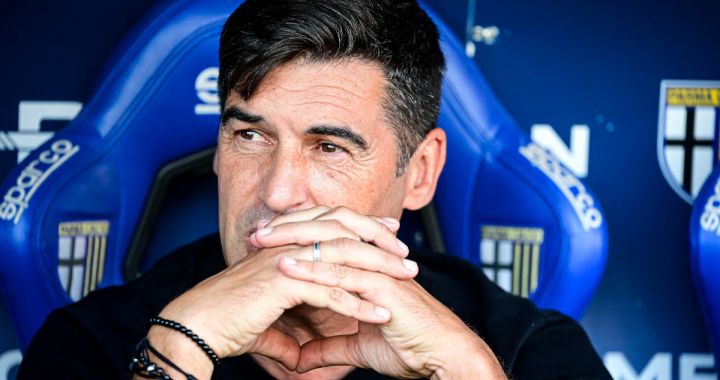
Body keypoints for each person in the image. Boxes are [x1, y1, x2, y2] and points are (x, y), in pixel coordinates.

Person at [18, 0, 611, 379]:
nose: (277, 194)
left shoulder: (525, 352)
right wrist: (176, 355)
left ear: (422, 172)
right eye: (250, 136)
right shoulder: (93, 345)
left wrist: (469, 375)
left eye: (329, 147)